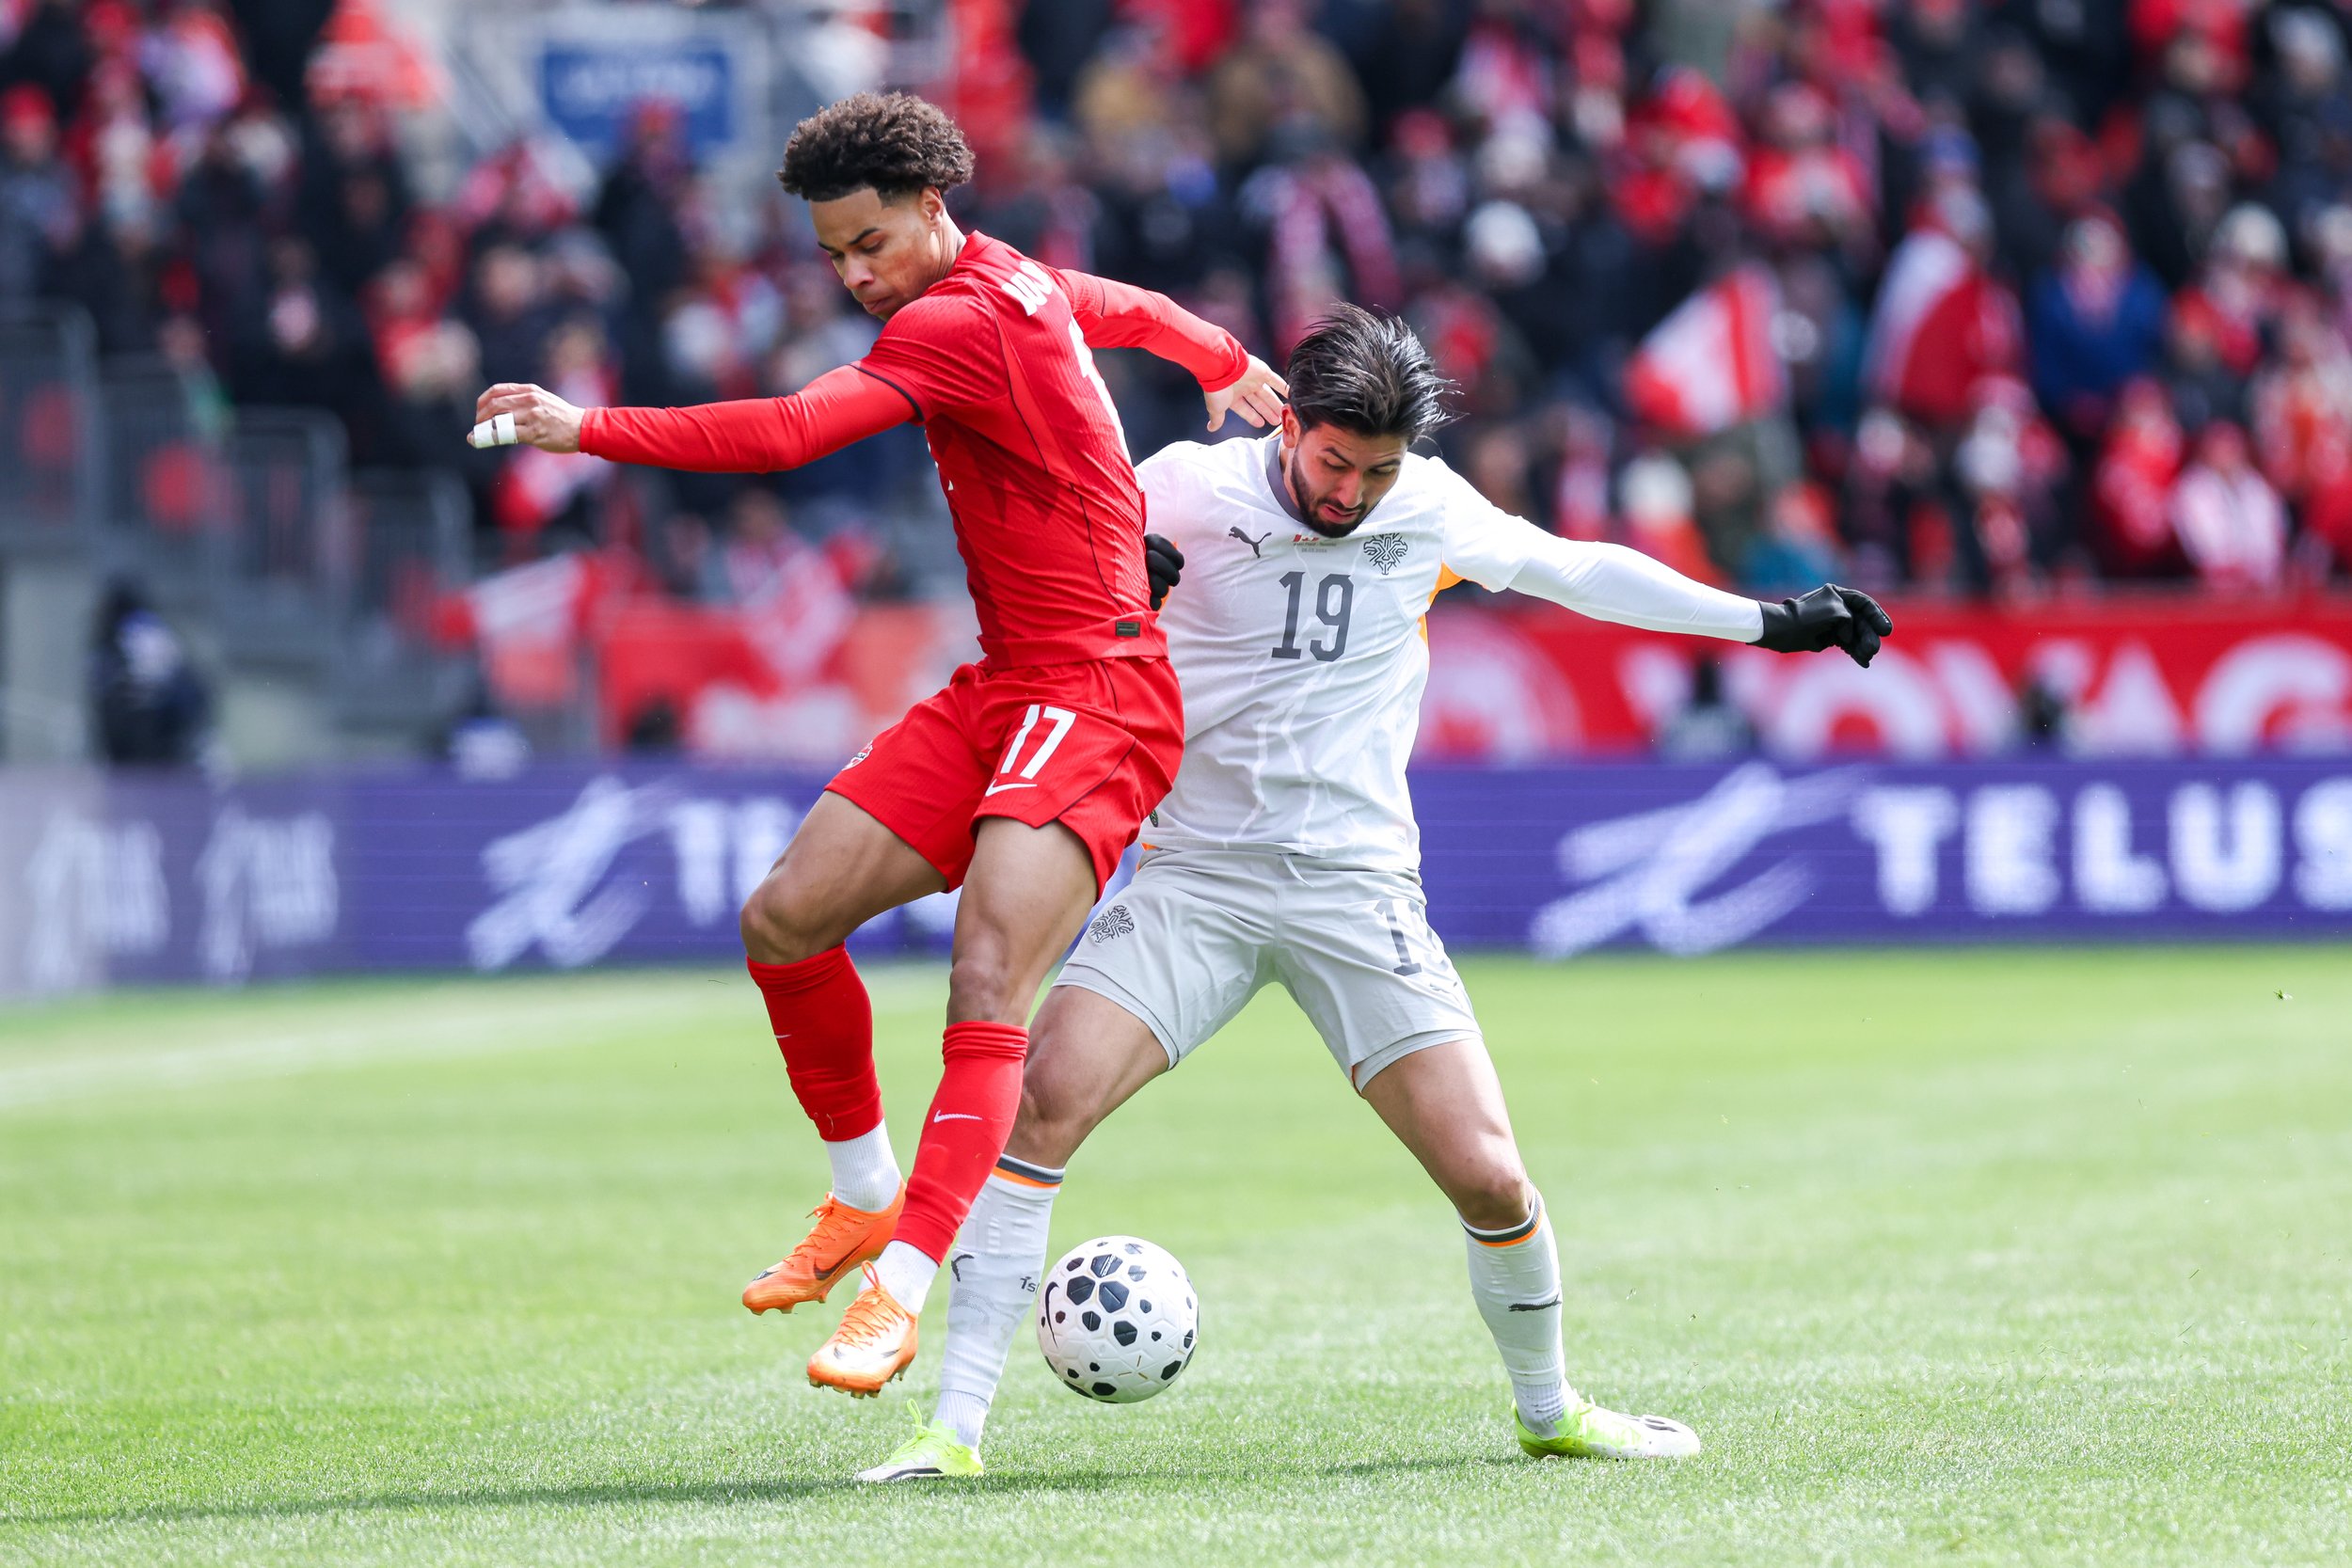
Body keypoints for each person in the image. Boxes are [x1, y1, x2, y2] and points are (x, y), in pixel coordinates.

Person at [859, 307, 1892, 1481]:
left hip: (1357, 890)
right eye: (1333, 461)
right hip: (1195, 877)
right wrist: (1106, 584)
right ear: (1286, 422)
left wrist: (1764, 622)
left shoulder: (1428, 505)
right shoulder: (1185, 487)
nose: (1350, 492)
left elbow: (1574, 570)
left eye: (1376, 471)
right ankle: (954, 1429)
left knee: (1493, 1176)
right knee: (1038, 1106)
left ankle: (1549, 1406)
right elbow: (1031, 571)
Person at [469, 91, 1287, 1398]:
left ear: (929, 208)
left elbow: (793, 430)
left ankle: (899, 1290)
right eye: (835, 254)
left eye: (868, 243)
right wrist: (1222, 355)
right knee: (784, 917)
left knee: (985, 972)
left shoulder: (953, 317)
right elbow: (1118, 304)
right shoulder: (1013, 277)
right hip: (1009, 685)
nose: (854, 274)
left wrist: (592, 427)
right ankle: (860, 1194)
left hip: (1105, 692)